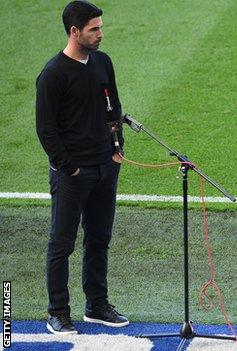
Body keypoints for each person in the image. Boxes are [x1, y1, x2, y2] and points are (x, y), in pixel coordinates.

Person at [36, 0, 129, 335]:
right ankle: (58, 311)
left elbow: (113, 108)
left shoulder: (103, 62)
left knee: (99, 239)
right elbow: (46, 129)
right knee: (62, 243)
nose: (100, 34)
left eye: (101, 27)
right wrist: (69, 167)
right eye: (94, 29)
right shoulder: (53, 74)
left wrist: (118, 151)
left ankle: (97, 304)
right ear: (74, 31)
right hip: (74, 174)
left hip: (106, 167)